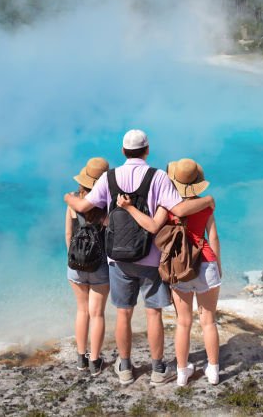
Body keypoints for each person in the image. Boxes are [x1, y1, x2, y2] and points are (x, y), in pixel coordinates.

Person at [63, 130, 214, 385]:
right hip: (151, 257)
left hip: (117, 259)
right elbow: (178, 209)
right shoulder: (159, 177)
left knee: (124, 313)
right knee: (153, 313)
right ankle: (157, 369)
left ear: (123, 151)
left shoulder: (109, 178)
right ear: (147, 150)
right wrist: (208, 200)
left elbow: (82, 207)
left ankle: (124, 367)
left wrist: (68, 197)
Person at [117, 157, 222, 386]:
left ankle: (182, 373)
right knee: (208, 321)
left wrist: (128, 208)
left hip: (178, 266)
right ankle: (213, 370)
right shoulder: (206, 205)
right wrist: (218, 266)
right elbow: (212, 237)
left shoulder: (166, 207)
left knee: (183, 322)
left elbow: (153, 228)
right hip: (206, 263)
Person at [65, 157, 111, 376]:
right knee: (97, 314)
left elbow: (68, 234)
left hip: (75, 265)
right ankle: (95, 361)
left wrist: (75, 257)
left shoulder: (73, 200)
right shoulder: (106, 204)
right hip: (100, 266)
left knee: (82, 311)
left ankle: (80, 359)